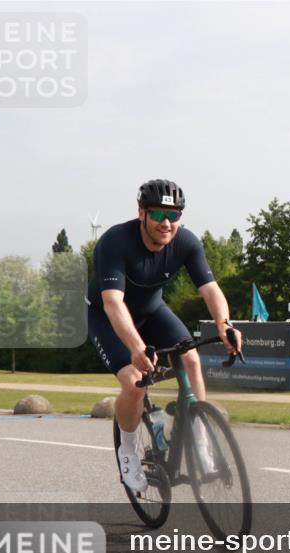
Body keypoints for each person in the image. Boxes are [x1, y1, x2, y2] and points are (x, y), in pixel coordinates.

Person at [86, 179, 242, 492]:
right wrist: (136, 347)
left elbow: (210, 289)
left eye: (174, 215)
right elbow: (113, 302)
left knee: (192, 360)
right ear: (141, 213)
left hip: (152, 310)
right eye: (157, 215)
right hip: (108, 316)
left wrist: (224, 324)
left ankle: (200, 438)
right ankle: (127, 451)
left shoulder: (187, 242)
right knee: (134, 383)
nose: (166, 223)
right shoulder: (115, 241)